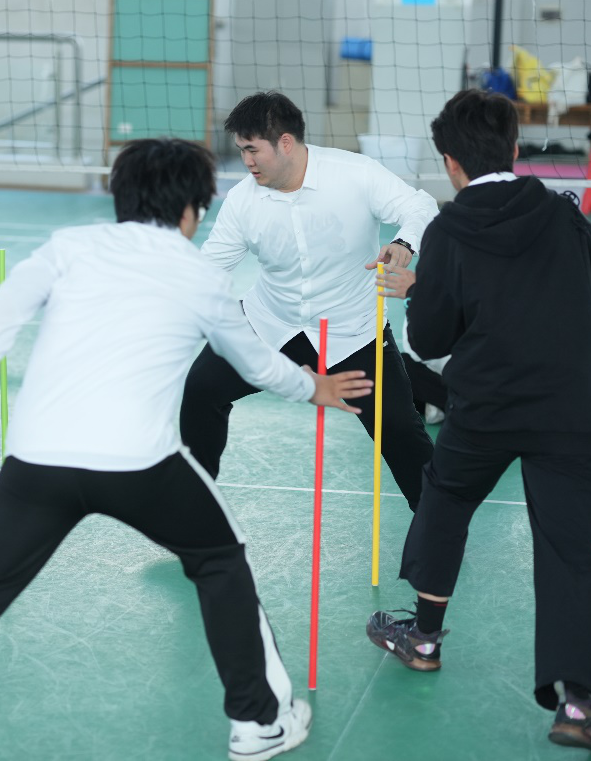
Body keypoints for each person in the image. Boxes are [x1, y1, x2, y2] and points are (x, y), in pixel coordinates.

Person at [0, 138, 375, 761]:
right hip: (141, 465)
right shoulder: (201, 274)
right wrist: (315, 387)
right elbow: (255, 363)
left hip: (38, 461)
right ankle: (257, 723)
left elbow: (2, 310)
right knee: (221, 562)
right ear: (192, 209)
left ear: (120, 197)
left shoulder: (71, 246)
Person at [367, 89, 591, 756]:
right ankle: (577, 703)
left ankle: (423, 637)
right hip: (570, 410)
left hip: (484, 409)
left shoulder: (446, 233)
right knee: (570, 550)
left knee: (445, 498)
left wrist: (421, 290)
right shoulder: (565, 216)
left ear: (449, 163)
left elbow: (429, 338)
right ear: (515, 149)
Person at [180, 90, 438, 511]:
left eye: (252, 149)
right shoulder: (243, 200)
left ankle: (438, 523)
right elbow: (209, 269)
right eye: (241, 150)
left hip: (351, 332)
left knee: (398, 427)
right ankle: (193, 507)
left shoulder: (355, 174)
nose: (245, 161)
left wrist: (405, 242)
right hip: (270, 322)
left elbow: (419, 205)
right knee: (201, 389)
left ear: (285, 142)